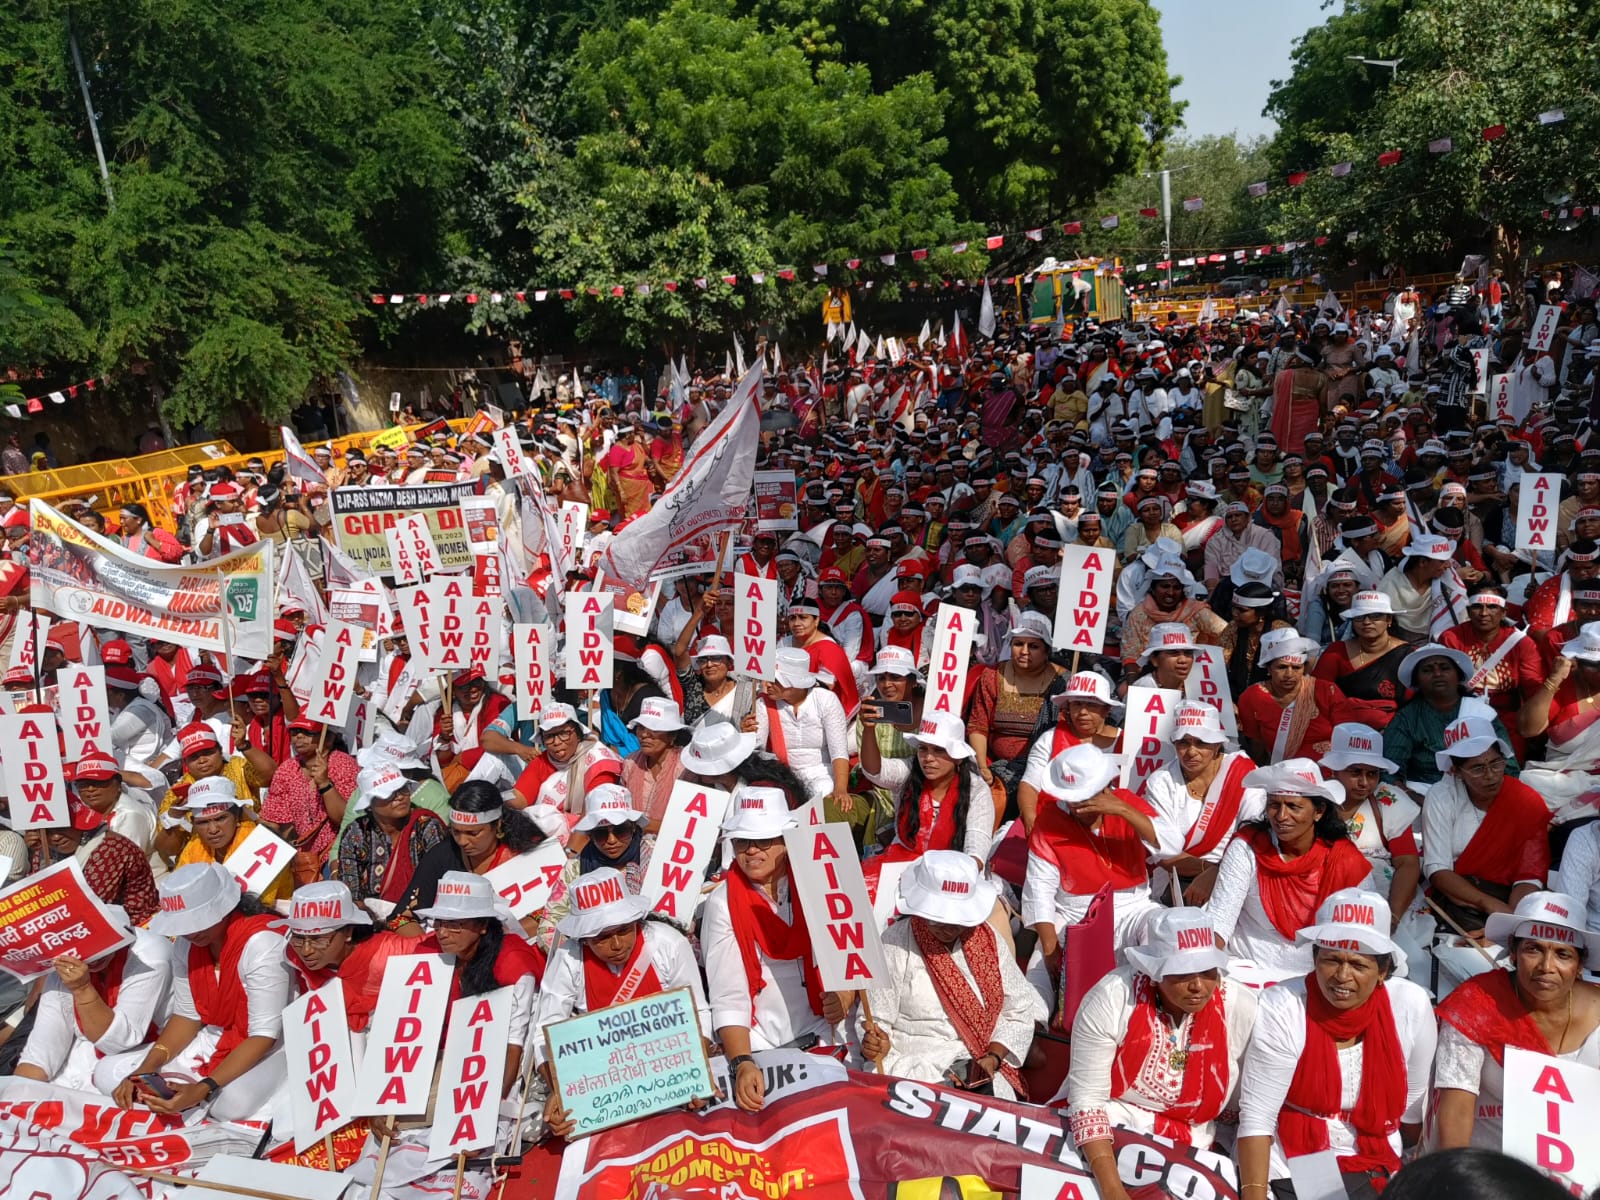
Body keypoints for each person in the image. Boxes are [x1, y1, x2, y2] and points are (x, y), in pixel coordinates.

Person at [1236, 889, 1437, 1198]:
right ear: (1314, 959)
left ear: (1383, 971)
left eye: (1358, 965)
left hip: (1378, 1153)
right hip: (1301, 1155)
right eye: (1331, 960)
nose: (1342, 976)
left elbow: (1411, 1106)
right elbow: (1257, 1117)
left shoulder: (1411, 1004)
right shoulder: (1285, 1005)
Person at [1067, 908, 1258, 1185]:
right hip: (1110, 1132)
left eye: (1207, 972)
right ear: (1155, 973)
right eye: (1182, 973)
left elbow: (1245, 1111)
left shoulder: (1239, 1006)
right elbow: (1088, 1103)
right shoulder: (1113, 997)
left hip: (1196, 1148)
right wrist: (1113, 1192)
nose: (1197, 986)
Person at [105, 863, 291, 1122]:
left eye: (198, 921)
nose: (190, 932)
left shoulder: (262, 943)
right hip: (214, 1037)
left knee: (228, 1106)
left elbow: (264, 1035)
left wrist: (204, 1088)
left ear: (225, 909)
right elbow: (187, 1016)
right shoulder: (186, 944)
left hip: (272, 1045)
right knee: (108, 1072)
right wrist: (144, 1071)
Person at [535, 867, 712, 1137]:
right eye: (602, 937)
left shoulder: (668, 944)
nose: (617, 944)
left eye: (624, 930)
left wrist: (698, 1074)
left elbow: (698, 1011)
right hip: (605, 1095)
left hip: (673, 1079)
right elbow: (545, 1032)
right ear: (583, 938)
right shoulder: (568, 959)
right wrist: (559, 1092)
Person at [701, 787, 839, 1110]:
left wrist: (844, 996)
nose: (751, 851)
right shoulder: (722, 904)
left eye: (763, 840)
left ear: (786, 840)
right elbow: (728, 993)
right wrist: (742, 1062)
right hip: (759, 1049)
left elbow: (848, 951)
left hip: (825, 1034)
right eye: (741, 842)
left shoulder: (820, 881)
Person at [859, 852, 1037, 1099]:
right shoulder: (895, 942)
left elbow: (1020, 1008)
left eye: (958, 921)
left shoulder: (988, 940)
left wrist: (994, 1057)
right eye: (939, 920)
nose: (949, 928)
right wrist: (877, 1042)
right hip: (911, 1072)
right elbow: (876, 1018)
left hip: (977, 1070)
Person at [1433, 891, 1600, 1151]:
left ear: (1580, 964)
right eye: (1533, 949)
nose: (1547, 966)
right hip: (1493, 1169)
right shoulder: (1476, 1006)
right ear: (1513, 951)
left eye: (1563, 954)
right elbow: (1456, 1116)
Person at [1206, 760, 1373, 983]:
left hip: (1321, 978)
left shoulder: (1345, 859)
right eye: (1274, 805)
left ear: (1319, 811)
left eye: (1293, 806)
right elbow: (1219, 921)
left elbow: (1364, 932)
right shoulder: (1246, 847)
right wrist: (1206, 970)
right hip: (1248, 969)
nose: (1281, 816)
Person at [1025, 743, 1168, 976]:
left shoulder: (1126, 804)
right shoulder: (1049, 821)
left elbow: (1171, 846)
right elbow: (1038, 890)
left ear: (1104, 788)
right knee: (1037, 974)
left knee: (1163, 935)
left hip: (1134, 909)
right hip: (1073, 916)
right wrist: (1050, 947)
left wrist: (1123, 810)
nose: (1079, 806)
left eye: (1085, 797)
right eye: (1071, 799)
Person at [13, 906, 173, 1092]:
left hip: (145, 1052)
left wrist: (82, 989)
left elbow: (119, 1041)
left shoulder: (149, 956)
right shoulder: (64, 968)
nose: (94, 957)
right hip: (81, 1060)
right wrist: (17, 1096)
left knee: (110, 1077)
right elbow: (41, 1052)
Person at [1421, 712, 1551, 935]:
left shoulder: (1526, 801)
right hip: (1461, 899)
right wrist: (1489, 905)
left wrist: (1512, 921)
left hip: (1514, 901)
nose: (1490, 775)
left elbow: (1529, 875)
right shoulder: (1441, 796)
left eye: (1495, 764)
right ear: (1456, 771)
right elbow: (1438, 869)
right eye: (1477, 768)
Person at [1144, 703, 1265, 905]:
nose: (1191, 752)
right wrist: (1209, 871)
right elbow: (1165, 855)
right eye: (1184, 743)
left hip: (1238, 880)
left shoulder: (1243, 773)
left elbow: (1254, 839)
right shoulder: (1161, 781)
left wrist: (1219, 875)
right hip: (1176, 886)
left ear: (1217, 744)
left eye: (1201, 743)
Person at [1320, 724, 1421, 931]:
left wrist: (1392, 916)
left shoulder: (1389, 802)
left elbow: (1407, 864)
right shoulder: (1317, 801)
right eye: (1355, 772)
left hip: (1382, 902)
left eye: (1372, 774)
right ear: (1334, 770)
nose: (1364, 782)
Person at [861, 712, 994, 862]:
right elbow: (875, 771)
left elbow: (977, 847)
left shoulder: (977, 789)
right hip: (901, 862)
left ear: (958, 758)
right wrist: (869, 729)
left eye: (938, 750)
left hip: (955, 870)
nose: (928, 758)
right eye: (923, 749)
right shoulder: (909, 772)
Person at [1383, 644, 1518, 790]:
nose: (1437, 674)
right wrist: (1415, 800)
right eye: (1427, 670)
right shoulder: (1407, 718)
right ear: (1417, 681)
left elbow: (1509, 765)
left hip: (1482, 789)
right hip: (1424, 791)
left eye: (1444, 668)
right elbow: (1389, 771)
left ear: (1458, 675)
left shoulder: (1480, 711)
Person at [1237, 629, 1376, 764]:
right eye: (1282, 667)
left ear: (1304, 668)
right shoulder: (1252, 697)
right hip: (1283, 772)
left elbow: (1348, 736)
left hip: (1329, 771)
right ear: (1268, 669)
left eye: (1296, 668)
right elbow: (1257, 745)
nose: (1289, 674)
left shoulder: (1327, 691)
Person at [1015, 671, 1121, 832]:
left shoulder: (1126, 742)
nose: (1083, 712)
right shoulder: (1049, 739)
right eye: (1077, 704)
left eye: (1091, 705)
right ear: (1068, 708)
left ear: (1106, 709)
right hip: (1053, 823)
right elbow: (1030, 784)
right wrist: (1031, 821)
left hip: (1113, 828)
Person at [334, 762, 449, 908]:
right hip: (368, 918)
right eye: (389, 793)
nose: (399, 797)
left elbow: (440, 881)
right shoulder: (356, 834)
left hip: (422, 913)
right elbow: (350, 893)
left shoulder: (427, 827)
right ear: (370, 803)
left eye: (403, 789)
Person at [171, 776, 291, 905]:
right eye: (203, 823)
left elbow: (252, 907)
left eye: (221, 819)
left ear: (237, 816)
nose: (212, 830)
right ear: (193, 823)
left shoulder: (263, 843)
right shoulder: (195, 846)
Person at [1311, 591, 1410, 729]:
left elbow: (1415, 702)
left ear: (1389, 620)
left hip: (1395, 729)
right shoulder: (1336, 651)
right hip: (1341, 727)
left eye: (1375, 616)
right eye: (1359, 617)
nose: (1367, 622)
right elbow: (1316, 693)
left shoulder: (1407, 654)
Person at [620, 697, 691, 829]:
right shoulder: (630, 762)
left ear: (672, 735)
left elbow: (687, 823)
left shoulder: (685, 768)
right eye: (641, 728)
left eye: (654, 729)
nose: (645, 735)